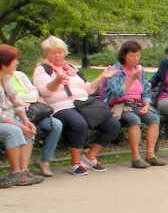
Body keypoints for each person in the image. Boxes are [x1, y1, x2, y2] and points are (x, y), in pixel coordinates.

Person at [33, 35, 121, 175]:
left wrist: (102, 76)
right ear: (46, 54)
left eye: (60, 52)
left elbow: (89, 89)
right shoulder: (43, 69)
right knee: (79, 124)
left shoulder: (71, 68)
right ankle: (74, 163)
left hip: (83, 104)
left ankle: (89, 157)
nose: (57, 55)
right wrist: (57, 80)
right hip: (60, 106)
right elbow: (44, 91)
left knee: (112, 124)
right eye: (53, 52)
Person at [101, 40, 166, 168]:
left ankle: (150, 155)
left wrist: (146, 103)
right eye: (132, 55)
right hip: (120, 105)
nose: (135, 59)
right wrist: (132, 79)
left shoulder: (140, 70)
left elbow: (146, 91)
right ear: (124, 55)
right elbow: (117, 93)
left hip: (136, 104)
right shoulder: (115, 71)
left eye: (138, 55)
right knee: (134, 120)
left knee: (154, 119)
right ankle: (136, 158)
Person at [8, 60, 62, 177]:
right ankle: (22, 170)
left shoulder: (20, 75)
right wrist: (25, 100)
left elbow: (34, 92)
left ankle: (45, 161)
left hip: (31, 110)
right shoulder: (3, 79)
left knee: (56, 125)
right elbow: (10, 98)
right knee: (27, 130)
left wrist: (28, 100)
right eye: (13, 60)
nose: (17, 62)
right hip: (12, 113)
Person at [0, 45, 44, 186]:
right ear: (3, 64)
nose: (17, 63)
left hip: (8, 118)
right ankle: (16, 172)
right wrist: (19, 125)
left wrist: (25, 120)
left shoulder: (5, 78)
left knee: (28, 130)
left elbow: (16, 101)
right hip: (3, 119)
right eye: (14, 60)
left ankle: (23, 170)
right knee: (14, 131)